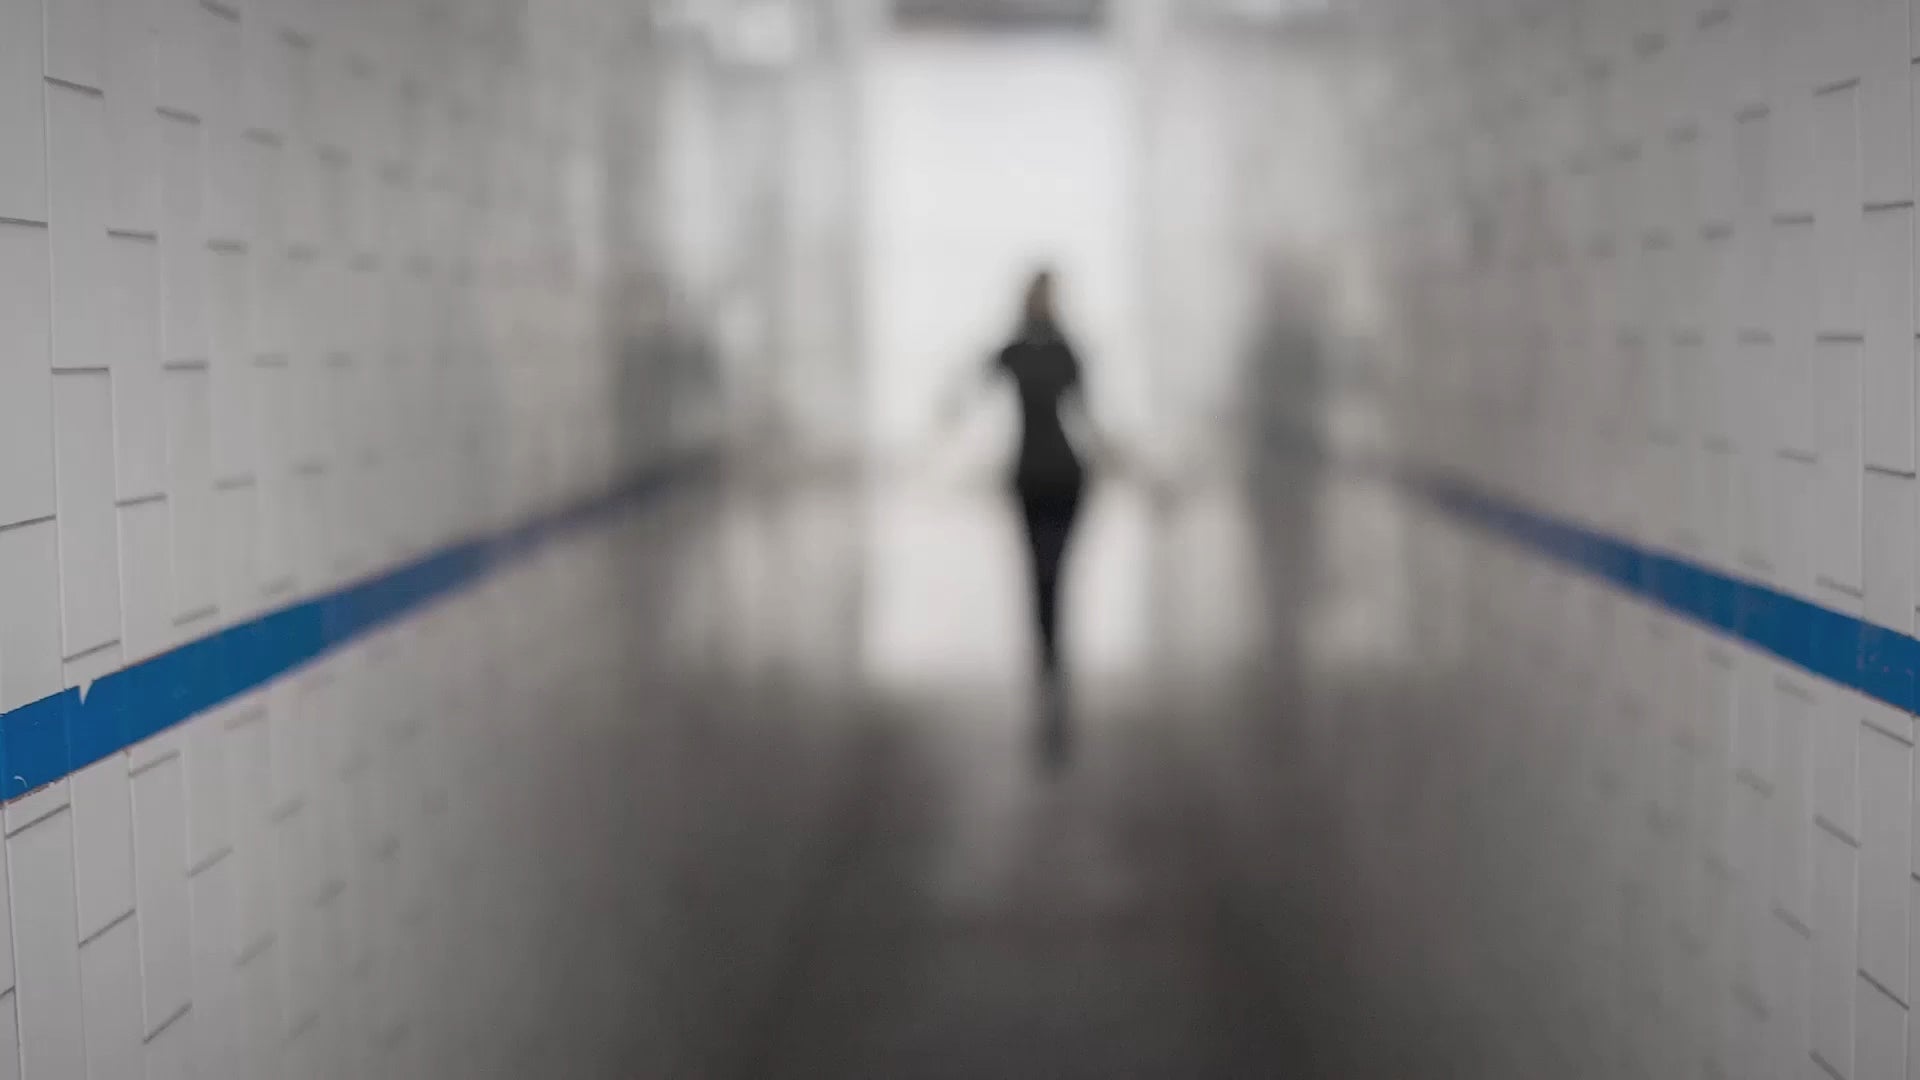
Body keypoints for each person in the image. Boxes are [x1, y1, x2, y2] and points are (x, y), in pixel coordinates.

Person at [939, 268, 1106, 697]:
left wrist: (1117, 459)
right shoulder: (1016, 350)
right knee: (1039, 574)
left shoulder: (1067, 350)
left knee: (1054, 572)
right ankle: (1048, 667)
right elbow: (968, 389)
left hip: (1066, 479)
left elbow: (1088, 416)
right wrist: (947, 419)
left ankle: (1052, 665)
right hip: (1030, 480)